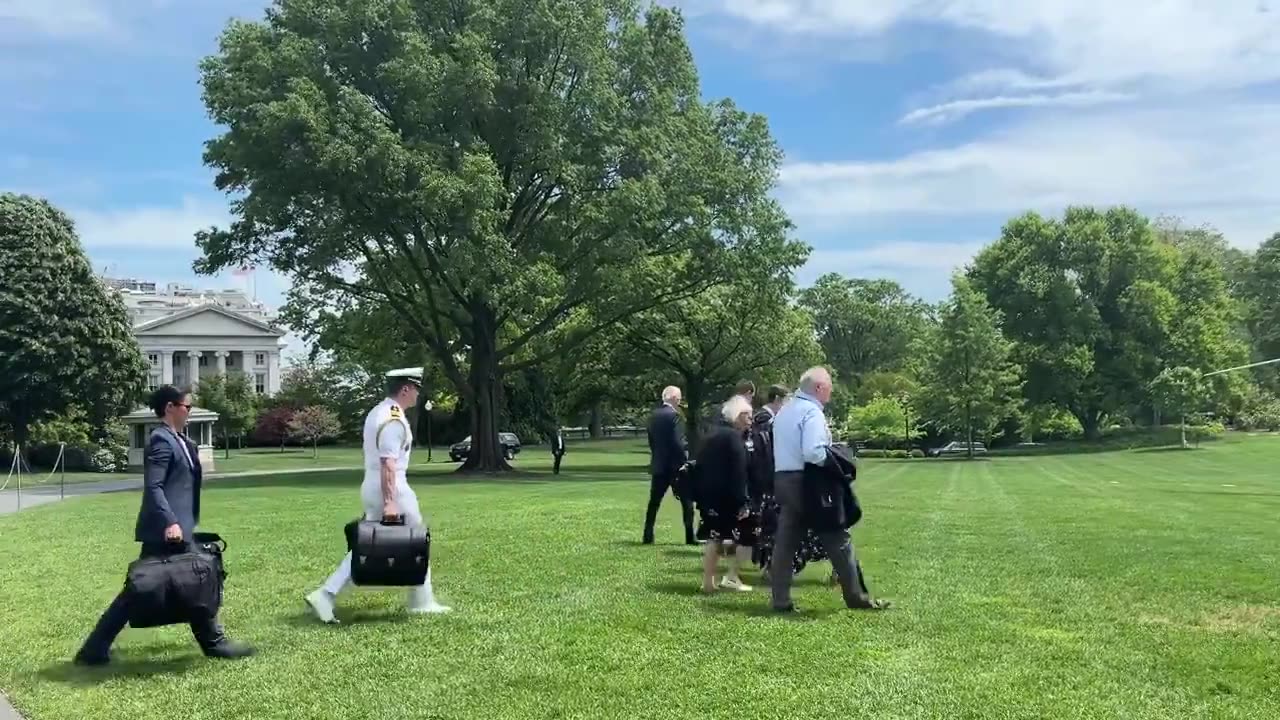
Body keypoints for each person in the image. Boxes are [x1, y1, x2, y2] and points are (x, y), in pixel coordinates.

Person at [74, 385, 254, 666]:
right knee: (188, 579)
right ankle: (213, 643)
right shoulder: (160, 440)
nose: (190, 411)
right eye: (187, 407)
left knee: (176, 582)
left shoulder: (181, 440)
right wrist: (170, 522)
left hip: (181, 526)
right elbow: (153, 486)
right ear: (170, 407)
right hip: (167, 529)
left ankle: (94, 650)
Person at [304, 368, 451, 622]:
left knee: (370, 546)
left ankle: (326, 593)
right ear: (405, 389)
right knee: (418, 540)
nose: (417, 394)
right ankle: (421, 601)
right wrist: (391, 502)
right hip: (392, 486)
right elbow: (388, 463)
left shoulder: (379, 411)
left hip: (373, 484)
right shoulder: (393, 418)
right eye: (416, 388)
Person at [770, 366, 890, 613]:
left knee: (786, 542)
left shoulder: (784, 412)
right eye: (829, 388)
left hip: (784, 480)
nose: (830, 393)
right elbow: (813, 451)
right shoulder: (811, 412)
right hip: (809, 483)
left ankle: (780, 600)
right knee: (838, 538)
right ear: (818, 388)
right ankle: (857, 598)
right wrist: (838, 463)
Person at [692, 395, 756, 592]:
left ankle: (708, 582)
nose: (750, 420)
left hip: (709, 497)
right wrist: (742, 502)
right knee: (747, 537)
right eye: (748, 416)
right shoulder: (733, 439)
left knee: (714, 538)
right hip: (728, 499)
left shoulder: (710, 436)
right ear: (738, 416)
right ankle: (731, 576)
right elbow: (738, 474)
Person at [644, 385, 693, 545]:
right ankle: (689, 536)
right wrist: (684, 461)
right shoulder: (675, 416)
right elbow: (677, 442)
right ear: (674, 398)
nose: (679, 401)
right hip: (675, 467)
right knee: (686, 501)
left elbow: (652, 441)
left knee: (654, 502)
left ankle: (648, 535)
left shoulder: (653, 416)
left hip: (659, 463)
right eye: (678, 398)